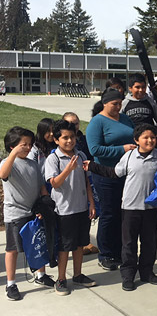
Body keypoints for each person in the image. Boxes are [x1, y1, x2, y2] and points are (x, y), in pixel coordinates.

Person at [85, 123, 157, 291]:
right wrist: (93, 166)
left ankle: (147, 272)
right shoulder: (129, 157)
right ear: (136, 140)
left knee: (150, 242)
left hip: (151, 208)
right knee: (128, 244)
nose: (150, 140)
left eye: (153, 137)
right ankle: (128, 275)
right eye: (145, 137)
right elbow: (114, 173)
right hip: (130, 207)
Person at [1, 127, 54, 301]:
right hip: (15, 213)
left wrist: (44, 205)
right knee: (13, 249)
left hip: (34, 210)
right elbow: (3, 174)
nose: (28, 147)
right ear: (12, 146)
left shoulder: (32, 163)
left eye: (30, 144)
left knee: (38, 244)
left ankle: (41, 275)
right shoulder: (7, 163)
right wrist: (14, 154)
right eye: (24, 144)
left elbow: (41, 187)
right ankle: (11, 283)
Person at [44, 120, 97, 295]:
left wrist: (91, 203)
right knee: (65, 247)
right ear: (56, 140)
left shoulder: (81, 155)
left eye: (72, 137)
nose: (69, 141)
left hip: (81, 208)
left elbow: (87, 182)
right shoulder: (53, 158)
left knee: (80, 244)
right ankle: (60, 279)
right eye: (65, 138)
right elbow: (55, 184)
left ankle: (78, 274)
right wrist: (68, 169)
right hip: (63, 210)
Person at [86, 87, 136, 271]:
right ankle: (106, 253)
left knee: (123, 214)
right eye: (114, 104)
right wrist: (121, 149)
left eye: (120, 103)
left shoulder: (125, 119)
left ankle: (120, 250)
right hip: (105, 173)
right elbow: (95, 150)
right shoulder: (97, 123)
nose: (118, 106)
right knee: (109, 213)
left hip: (126, 173)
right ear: (105, 103)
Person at [62, 112, 98, 255]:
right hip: (65, 185)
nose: (73, 126)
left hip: (83, 180)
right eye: (70, 123)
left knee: (86, 213)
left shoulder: (84, 140)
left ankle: (85, 242)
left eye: (76, 123)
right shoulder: (59, 142)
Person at [121, 73, 157, 150]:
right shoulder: (124, 103)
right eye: (137, 87)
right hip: (132, 141)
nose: (141, 90)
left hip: (148, 140)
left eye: (143, 87)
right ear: (130, 88)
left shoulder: (150, 102)